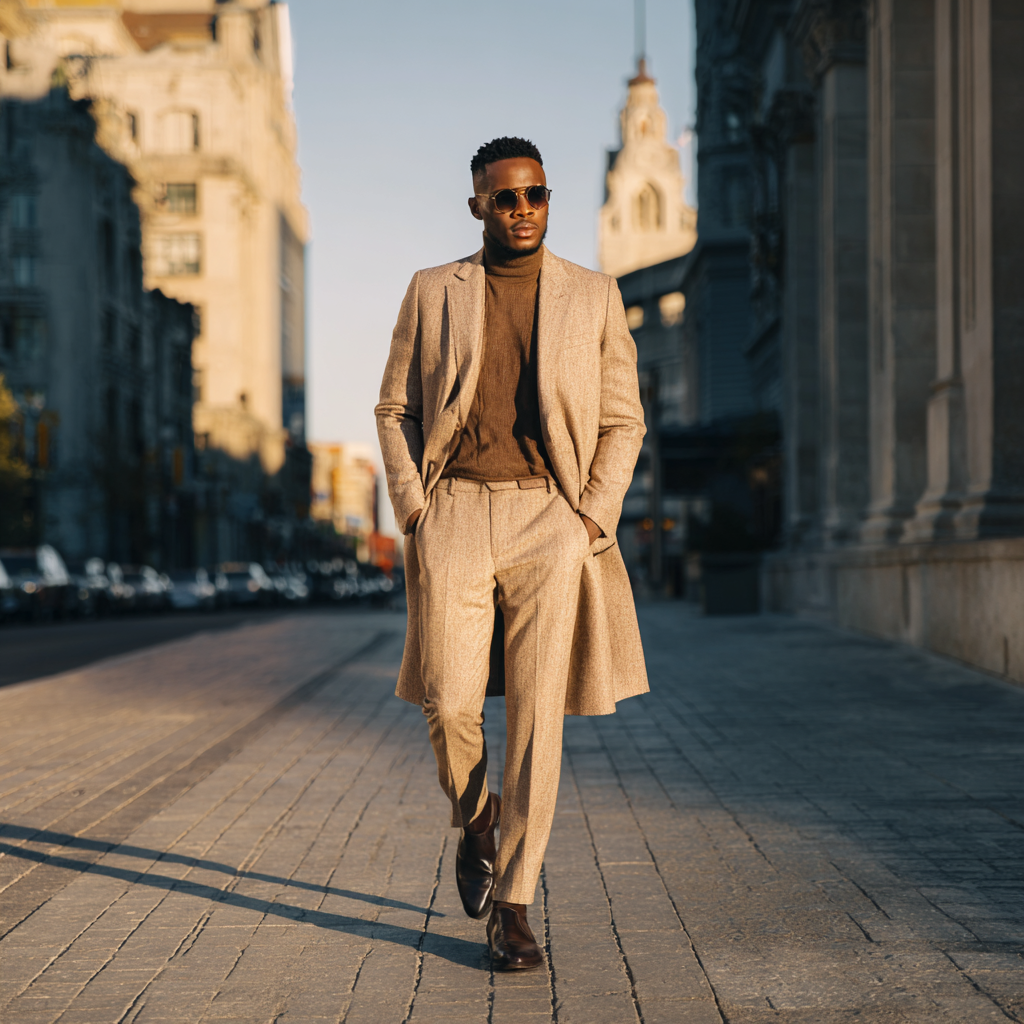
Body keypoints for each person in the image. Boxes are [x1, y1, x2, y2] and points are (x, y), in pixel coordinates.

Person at [376, 136, 648, 971]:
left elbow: (622, 418)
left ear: (547, 199)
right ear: (477, 207)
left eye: (534, 194)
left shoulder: (594, 294)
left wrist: (590, 519)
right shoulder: (434, 290)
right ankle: (479, 823)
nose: (522, 208)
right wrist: (416, 510)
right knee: (450, 700)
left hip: (547, 517)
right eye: (504, 198)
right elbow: (395, 408)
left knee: (536, 717)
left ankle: (517, 904)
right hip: (453, 508)